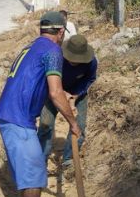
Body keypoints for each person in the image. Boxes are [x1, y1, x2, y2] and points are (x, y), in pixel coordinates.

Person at [0, 11, 81, 197]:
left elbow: (45, 89)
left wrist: (66, 99)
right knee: (33, 173)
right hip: (17, 118)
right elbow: (54, 92)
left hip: (9, 113)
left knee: (29, 171)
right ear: (61, 32)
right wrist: (73, 122)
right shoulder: (53, 51)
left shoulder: (33, 47)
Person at [37, 34, 97, 169]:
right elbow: (47, 80)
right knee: (45, 124)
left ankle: (68, 159)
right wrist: (62, 94)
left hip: (78, 93)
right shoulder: (55, 57)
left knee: (78, 127)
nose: (74, 61)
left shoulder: (91, 62)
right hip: (54, 92)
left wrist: (75, 96)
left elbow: (89, 80)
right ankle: (41, 160)